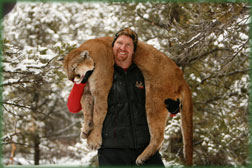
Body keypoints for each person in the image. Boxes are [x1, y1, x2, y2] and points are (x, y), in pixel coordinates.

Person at [67, 28, 165, 167]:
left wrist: (173, 108)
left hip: (145, 149)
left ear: (133, 50)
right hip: (112, 152)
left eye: (128, 45)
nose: (122, 48)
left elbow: (160, 107)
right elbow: (73, 107)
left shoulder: (143, 74)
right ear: (113, 46)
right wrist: (81, 83)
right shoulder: (99, 73)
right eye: (119, 43)